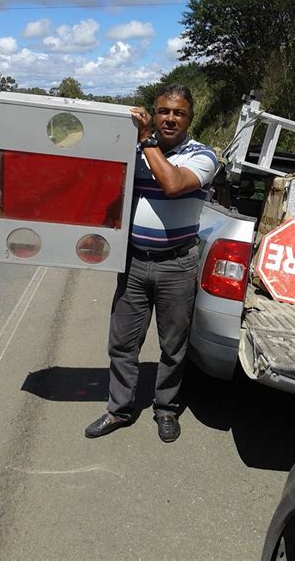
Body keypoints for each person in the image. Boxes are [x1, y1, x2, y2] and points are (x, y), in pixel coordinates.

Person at [85, 84, 218, 442]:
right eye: (163, 111)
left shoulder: (202, 156)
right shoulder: (132, 151)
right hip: (133, 262)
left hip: (177, 264)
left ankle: (166, 409)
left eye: (179, 113)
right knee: (123, 342)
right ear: (154, 113)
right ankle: (119, 410)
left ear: (190, 118)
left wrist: (147, 141)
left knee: (173, 346)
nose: (170, 119)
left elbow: (173, 184)